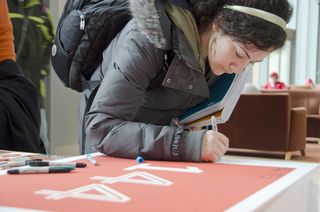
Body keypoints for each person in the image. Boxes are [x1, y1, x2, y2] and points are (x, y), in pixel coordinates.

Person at [78, 0, 293, 162]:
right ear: (219, 23)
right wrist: (184, 144)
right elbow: (102, 128)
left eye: (251, 62)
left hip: (157, 154)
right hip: (111, 151)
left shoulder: (220, 62)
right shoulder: (147, 40)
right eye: (238, 53)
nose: (238, 69)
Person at [7, 0, 55, 153]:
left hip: (33, 89)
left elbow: (51, 42)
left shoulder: (41, 11)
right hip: (7, 88)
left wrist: (41, 68)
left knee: (41, 140)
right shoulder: (4, 7)